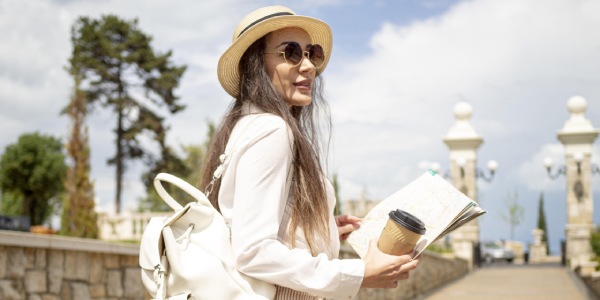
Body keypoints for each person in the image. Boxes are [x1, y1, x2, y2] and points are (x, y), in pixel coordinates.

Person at [199, 5, 420, 299]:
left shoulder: (244, 126)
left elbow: (253, 224)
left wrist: (322, 229)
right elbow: (253, 251)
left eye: (311, 53)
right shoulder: (271, 131)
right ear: (255, 64)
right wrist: (360, 273)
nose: (308, 66)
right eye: (290, 52)